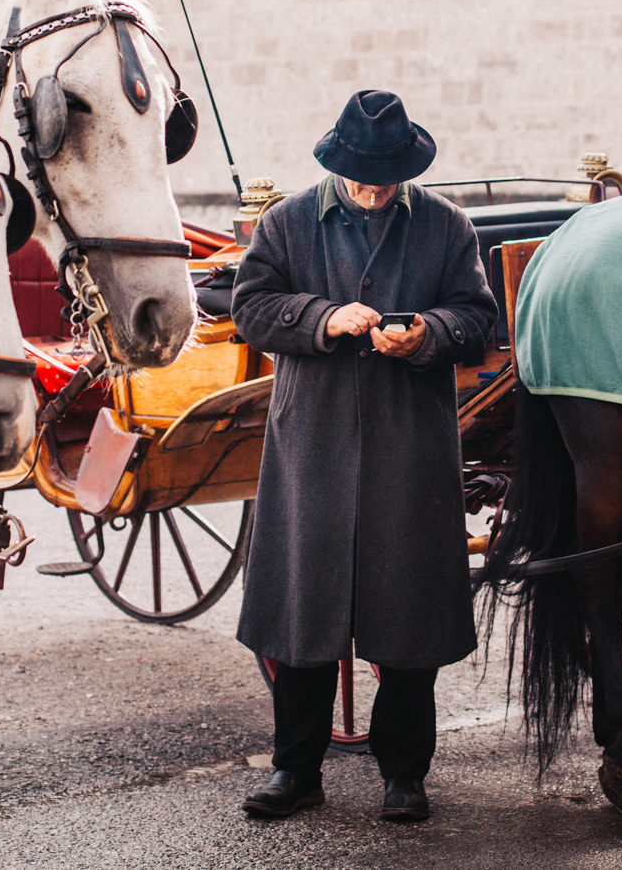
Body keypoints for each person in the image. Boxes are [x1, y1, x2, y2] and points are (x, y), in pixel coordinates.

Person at [229, 89, 498, 823]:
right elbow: (249, 308)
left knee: (409, 621)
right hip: (309, 449)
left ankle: (405, 776)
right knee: (302, 619)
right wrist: (322, 316)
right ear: (338, 163)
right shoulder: (286, 223)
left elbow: (478, 318)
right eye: (362, 177)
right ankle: (296, 771)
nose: (374, 190)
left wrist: (428, 335)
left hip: (410, 451)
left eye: (386, 177)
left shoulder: (446, 225)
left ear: (406, 168)